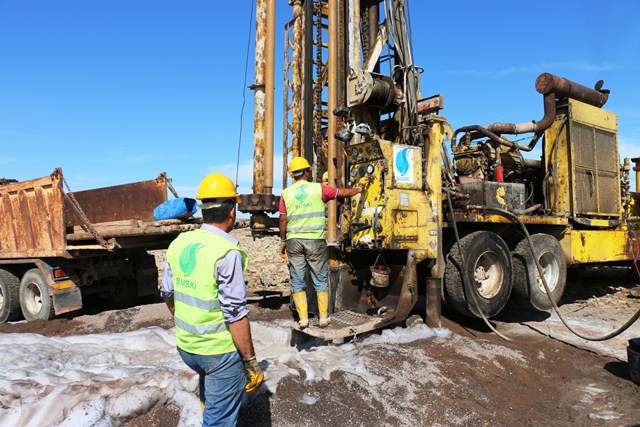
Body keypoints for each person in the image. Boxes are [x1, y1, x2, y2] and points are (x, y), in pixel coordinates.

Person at [161, 172, 263, 426]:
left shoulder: (179, 242)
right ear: (232, 212)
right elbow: (235, 313)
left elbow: (167, 293)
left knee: (215, 393)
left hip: (187, 347)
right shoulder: (226, 252)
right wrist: (251, 362)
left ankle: (213, 409)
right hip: (217, 352)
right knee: (220, 419)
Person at [278, 157, 363, 328]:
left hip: (294, 241)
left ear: (293, 175)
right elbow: (342, 193)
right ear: (307, 172)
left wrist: (283, 240)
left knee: (297, 279)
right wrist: (359, 188)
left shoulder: (286, 193)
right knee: (319, 278)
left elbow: (282, 219)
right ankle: (323, 318)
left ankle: (303, 320)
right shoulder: (318, 189)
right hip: (315, 240)